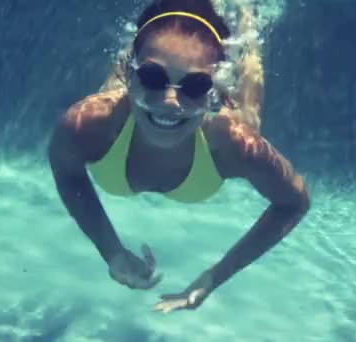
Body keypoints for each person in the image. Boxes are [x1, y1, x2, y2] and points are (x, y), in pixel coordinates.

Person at [48, 0, 310, 313]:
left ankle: (245, 13)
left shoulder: (233, 142)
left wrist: (214, 277)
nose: (171, 101)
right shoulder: (89, 123)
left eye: (196, 85)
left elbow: (294, 203)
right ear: (129, 75)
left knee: (247, 109)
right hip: (124, 103)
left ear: (214, 90)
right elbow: (66, 171)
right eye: (152, 78)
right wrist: (111, 250)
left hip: (218, 116)